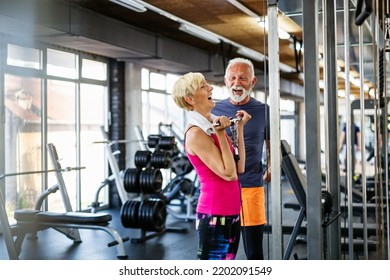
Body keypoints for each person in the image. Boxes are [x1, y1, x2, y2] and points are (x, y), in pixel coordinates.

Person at [171, 72, 251, 260]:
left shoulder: (211, 125)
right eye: (203, 86)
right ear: (190, 99)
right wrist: (221, 134)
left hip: (231, 211)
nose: (210, 88)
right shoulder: (196, 133)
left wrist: (239, 128)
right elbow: (229, 174)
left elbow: (239, 167)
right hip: (215, 214)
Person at [212, 57, 270, 260]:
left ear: (252, 82)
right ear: (226, 81)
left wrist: (271, 166)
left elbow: (270, 141)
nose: (237, 83)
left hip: (251, 187)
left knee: (254, 251)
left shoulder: (264, 110)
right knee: (224, 252)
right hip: (222, 188)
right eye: (233, 78)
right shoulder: (214, 110)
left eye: (243, 79)